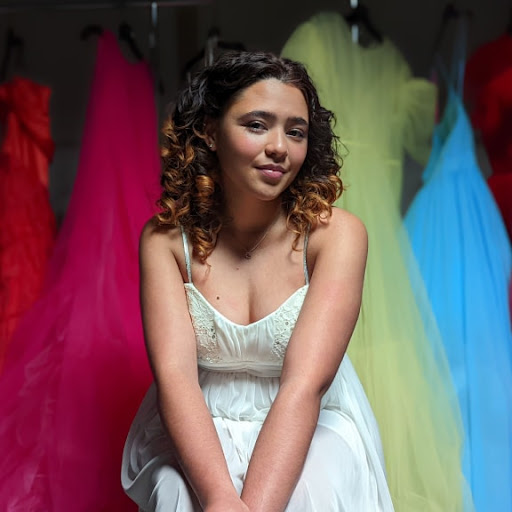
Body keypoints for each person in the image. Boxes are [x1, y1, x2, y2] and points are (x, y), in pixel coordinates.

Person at [121, 51, 395, 512]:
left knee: (314, 490)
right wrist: (220, 499)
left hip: (308, 418)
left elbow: (304, 385)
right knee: (176, 495)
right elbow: (175, 379)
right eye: (256, 125)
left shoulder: (337, 236)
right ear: (210, 130)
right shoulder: (165, 239)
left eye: (295, 131)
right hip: (197, 422)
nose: (279, 148)